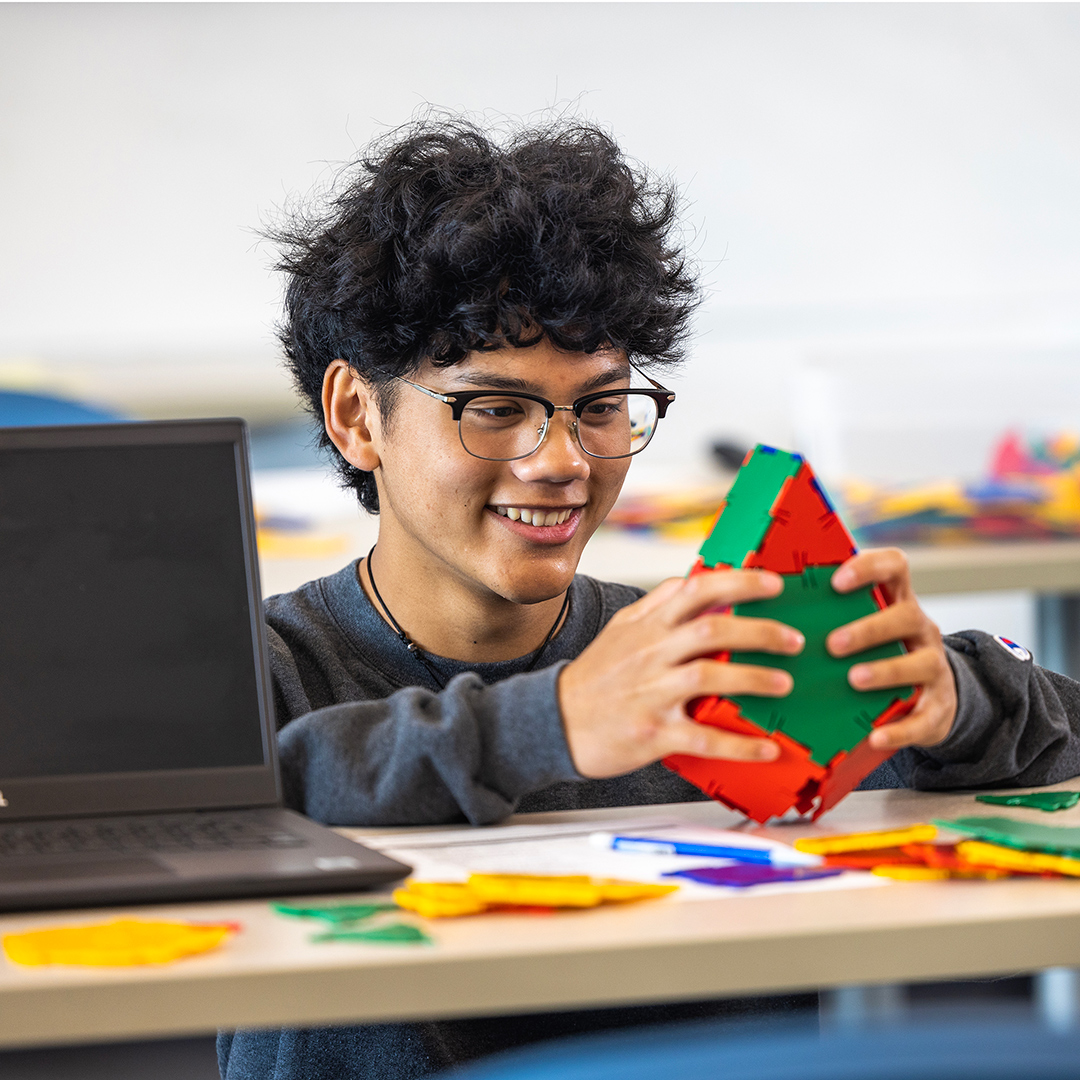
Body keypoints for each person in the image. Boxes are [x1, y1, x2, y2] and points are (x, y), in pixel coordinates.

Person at [218, 116, 1080, 1080]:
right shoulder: (262, 670)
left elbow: (1060, 735)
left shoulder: (705, 656)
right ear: (354, 416)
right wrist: (553, 723)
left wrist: (961, 703)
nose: (561, 462)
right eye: (495, 409)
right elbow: (206, 813)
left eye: (600, 407)